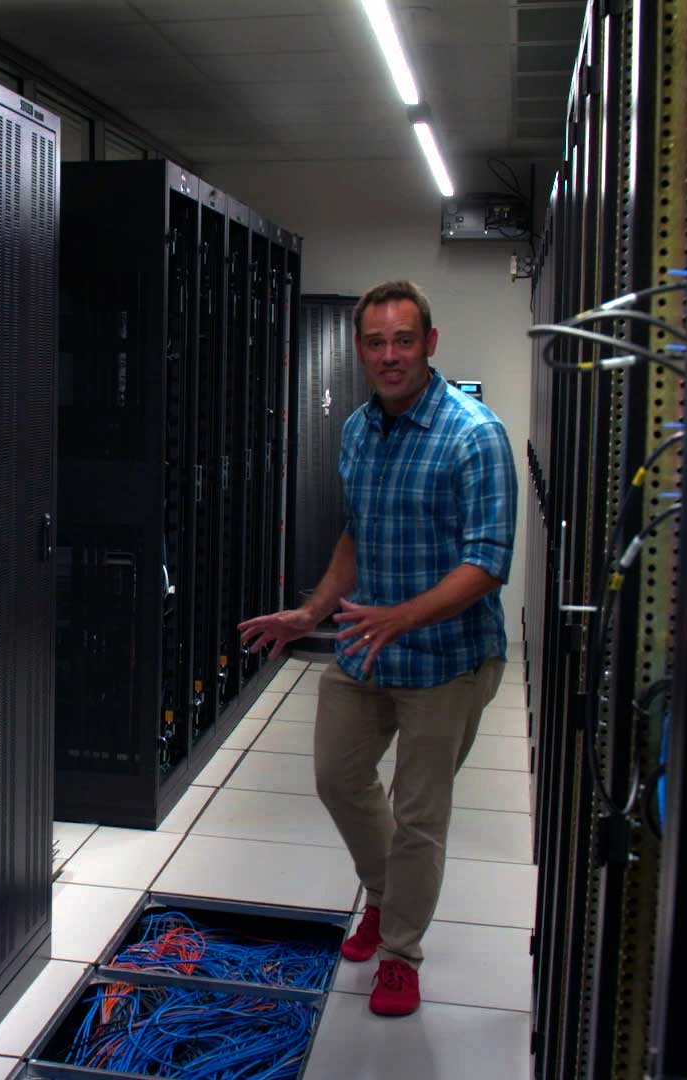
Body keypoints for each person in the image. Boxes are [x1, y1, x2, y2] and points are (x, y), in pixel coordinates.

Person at [238, 280, 517, 1017]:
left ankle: (399, 951)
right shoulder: (360, 429)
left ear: (429, 342)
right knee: (338, 777)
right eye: (375, 342)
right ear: (360, 350)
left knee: (418, 813)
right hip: (367, 646)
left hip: (449, 659)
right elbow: (357, 536)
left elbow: (488, 562)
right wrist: (311, 612)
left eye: (403, 340)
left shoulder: (472, 433)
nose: (389, 355)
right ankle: (389, 898)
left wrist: (402, 617)